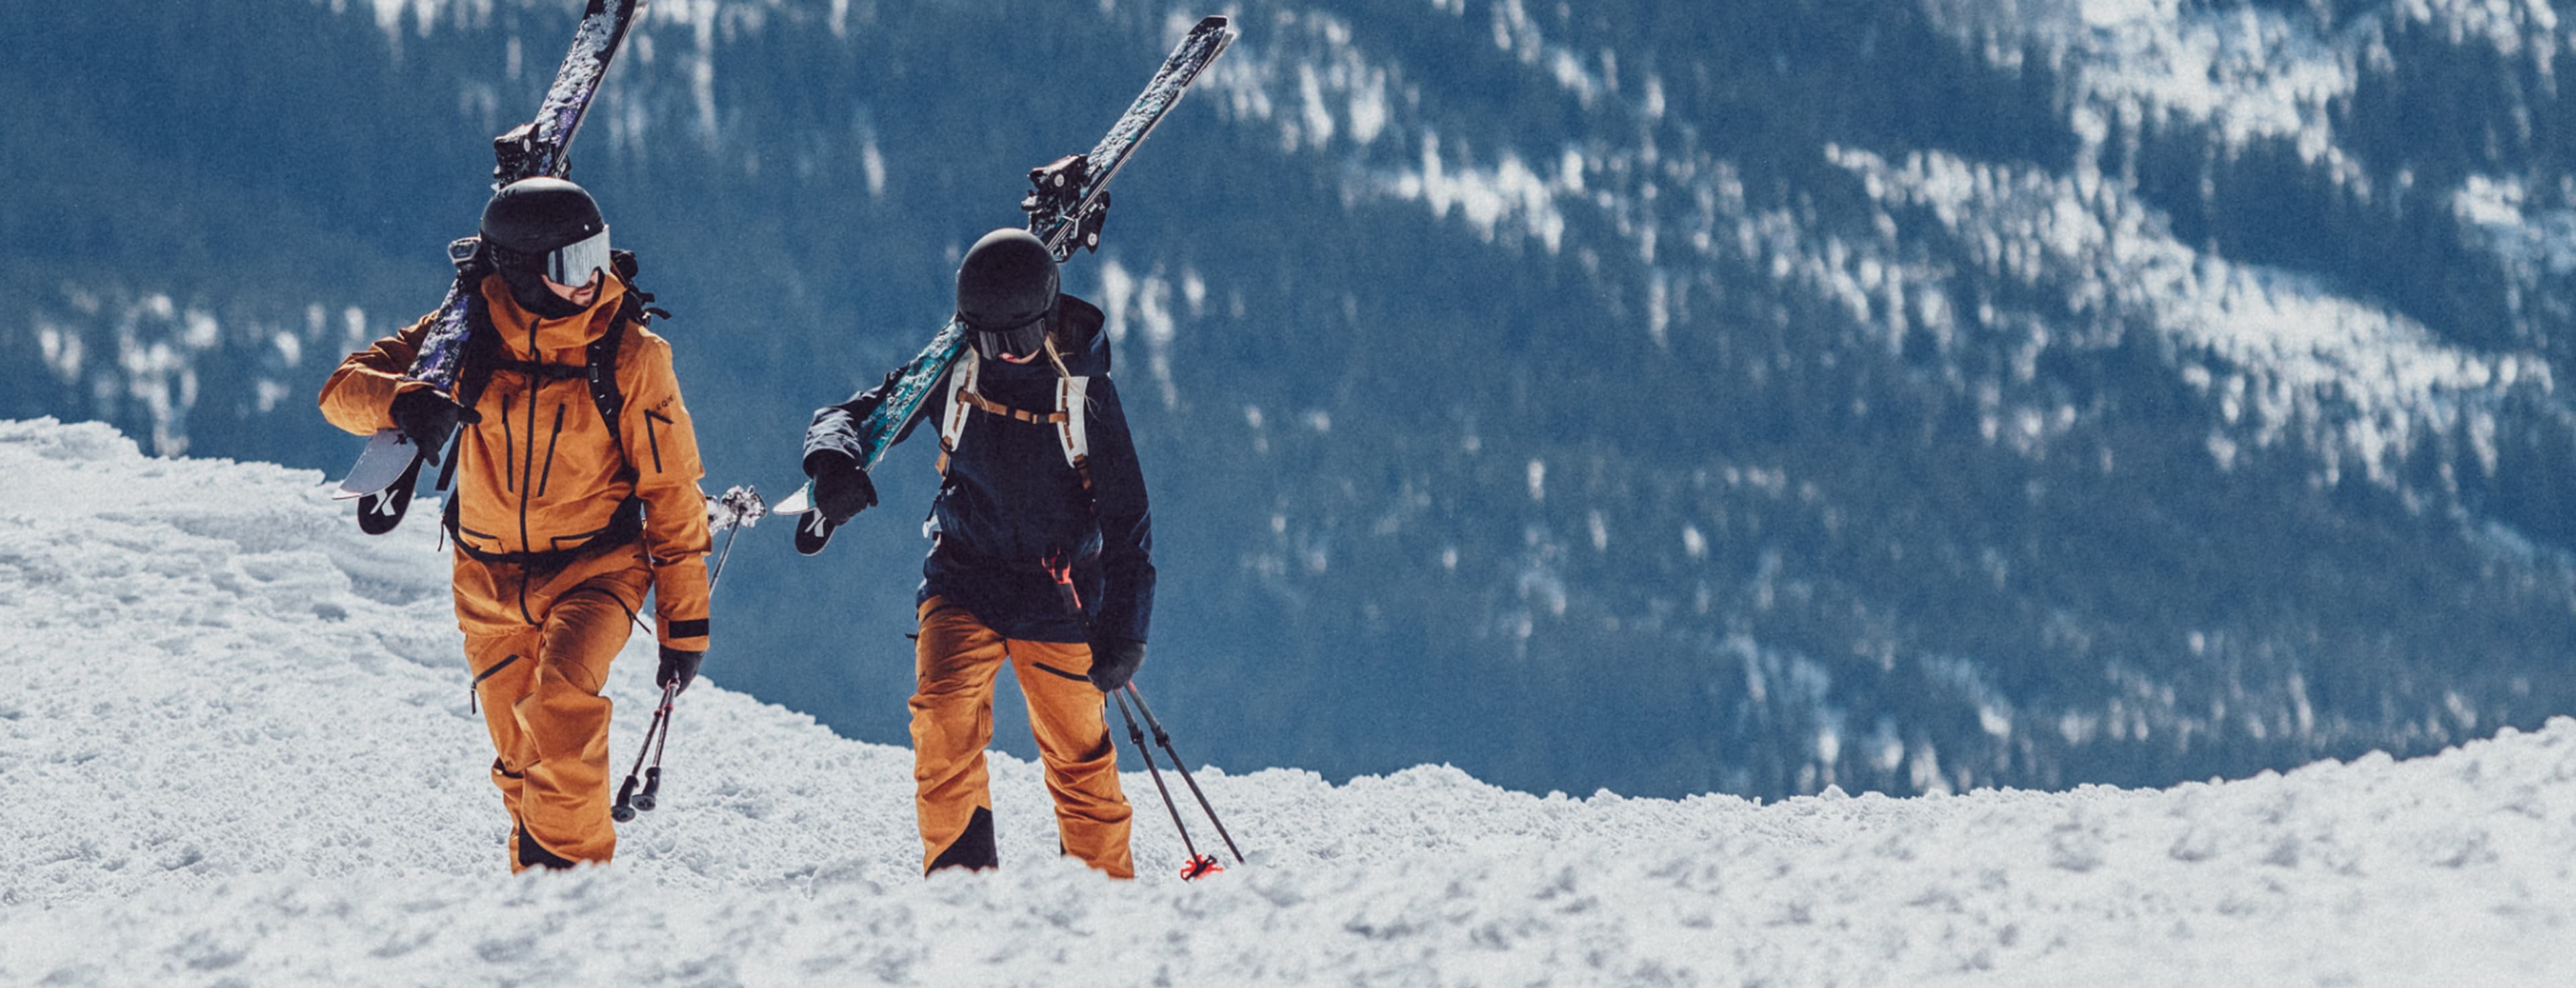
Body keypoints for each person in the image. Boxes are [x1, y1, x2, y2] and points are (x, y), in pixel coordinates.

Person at [319, 177, 714, 872]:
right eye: (570, 263)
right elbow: (341, 393)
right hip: (486, 581)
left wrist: (686, 626)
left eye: (597, 252)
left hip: (596, 571)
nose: (592, 278)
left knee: (562, 710)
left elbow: (672, 491)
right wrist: (401, 403)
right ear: (521, 272)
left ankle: (573, 902)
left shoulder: (629, 354)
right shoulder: (463, 335)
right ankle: (540, 914)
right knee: (521, 765)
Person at [803, 227, 1155, 879]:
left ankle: (1104, 904)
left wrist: (1125, 630)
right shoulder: (954, 368)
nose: (1006, 356)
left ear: (1045, 319)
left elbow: (1127, 519)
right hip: (963, 577)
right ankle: (960, 887)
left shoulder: (1085, 392)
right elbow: (857, 414)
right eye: (990, 341)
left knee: (1080, 756)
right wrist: (834, 462)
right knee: (941, 722)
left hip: (1060, 597)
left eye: (1018, 340)